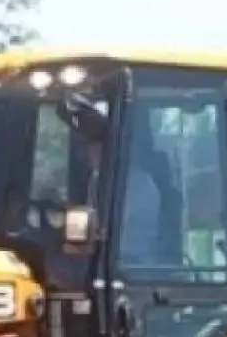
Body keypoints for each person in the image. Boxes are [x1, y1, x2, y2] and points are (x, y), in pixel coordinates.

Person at [66, 98, 163, 265]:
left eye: (95, 145)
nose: (89, 153)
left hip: (133, 261)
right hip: (102, 257)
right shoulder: (97, 179)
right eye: (88, 146)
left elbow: (113, 225)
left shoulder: (139, 183)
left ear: (110, 148)